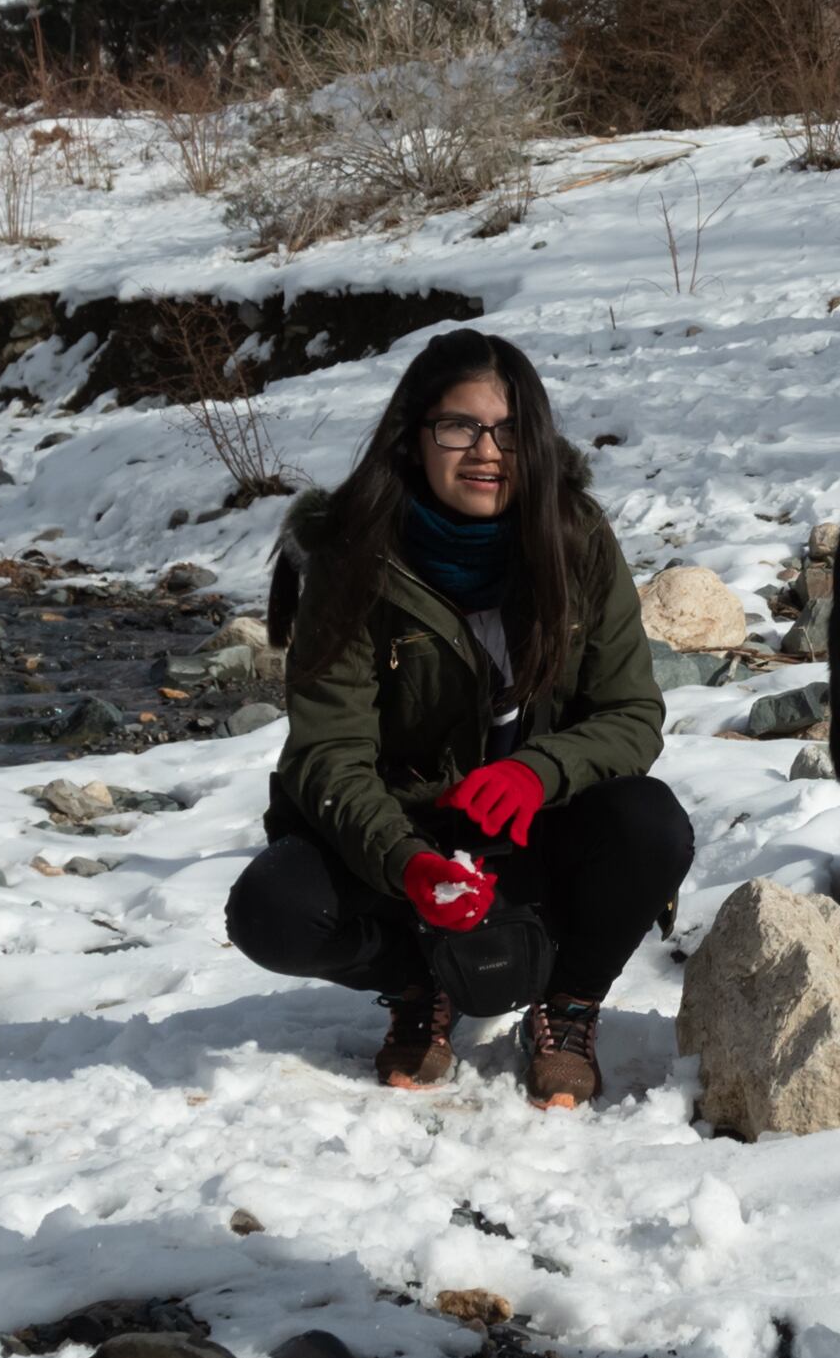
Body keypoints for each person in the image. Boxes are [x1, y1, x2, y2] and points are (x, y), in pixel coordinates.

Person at [228, 331, 690, 1103]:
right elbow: (327, 754)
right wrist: (405, 859)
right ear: (416, 436)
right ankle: (419, 989)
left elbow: (632, 713)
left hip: (537, 827)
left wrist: (535, 771)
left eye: (509, 431)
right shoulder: (352, 557)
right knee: (272, 909)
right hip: (404, 842)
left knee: (653, 826)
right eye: (460, 427)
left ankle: (569, 1003)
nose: (486, 450)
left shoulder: (576, 540)